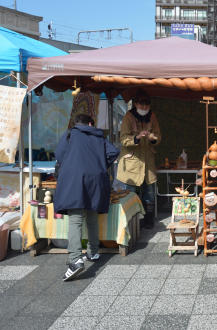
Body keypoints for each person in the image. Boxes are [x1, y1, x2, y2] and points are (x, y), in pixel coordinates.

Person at [54, 114, 120, 281]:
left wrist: (73, 162)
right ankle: (93, 252)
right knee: (92, 216)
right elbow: (114, 151)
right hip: (96, 179)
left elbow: (59, 154)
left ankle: (75, 260)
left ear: (76, 124)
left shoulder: (70, 134)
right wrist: (100, 164)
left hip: (74, 178)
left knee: (75, 220)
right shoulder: (98, 135)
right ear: (90, 123)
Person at [116, 89, 161, 229]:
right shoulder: (128, 117)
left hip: (148, 161)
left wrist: (153, 138)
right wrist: (137, 137)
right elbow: (123, 139)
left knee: (150, 192)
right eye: (142, 107)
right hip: (132, 161)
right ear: (135, 104)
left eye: (147, 107)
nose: (144, 109)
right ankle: (132, 220)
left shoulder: (152, 116)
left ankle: (148, 219)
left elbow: (158, 135)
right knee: (131, 193)